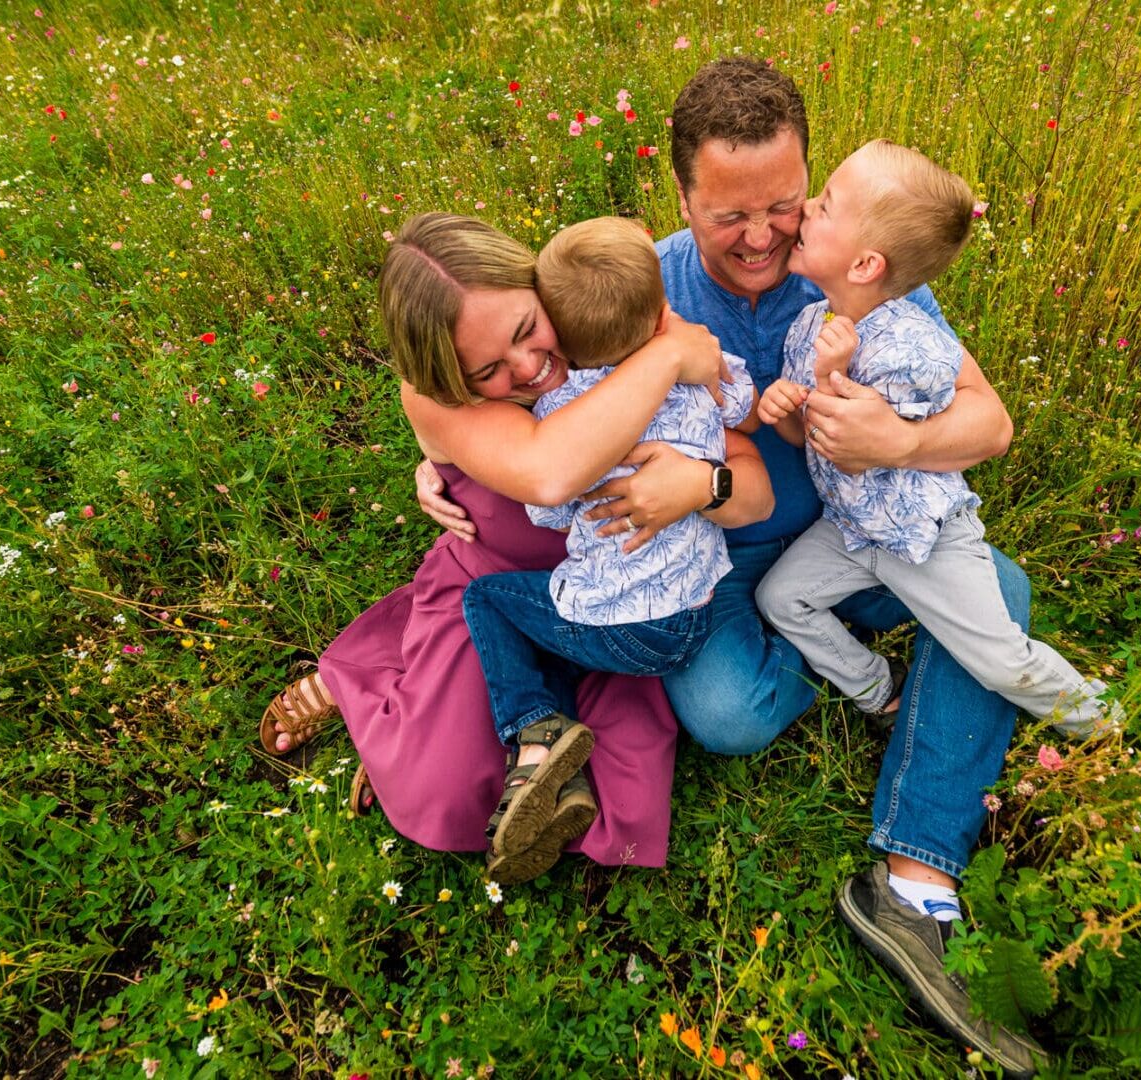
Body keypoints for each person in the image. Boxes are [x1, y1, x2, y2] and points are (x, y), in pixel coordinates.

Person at [416, 59, 1043, 1076]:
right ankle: (868, 667)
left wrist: (895, 441)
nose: (760, 237)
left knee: (999, 591)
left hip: (846, 539)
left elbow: (988, 421)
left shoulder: (853, 270)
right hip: (703, 572)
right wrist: (443, 454)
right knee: (729, 720)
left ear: (811, 190)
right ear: (680, 199)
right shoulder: (634, 282)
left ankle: (914, 880)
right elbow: (510, 369)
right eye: (727, 216)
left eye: (782, 208)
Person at [260, 211, 774, 885]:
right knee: (442, 789)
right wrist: (668, 355)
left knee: (599, 784)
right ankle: (376, 700)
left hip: (609, 597)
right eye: (490, 370)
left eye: (528, 329)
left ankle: (434, 728)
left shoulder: (605, 323)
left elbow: (751, 484)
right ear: (449, 379)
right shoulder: (440, 396)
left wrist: (703, 481)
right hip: (503, 589)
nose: (532, 368)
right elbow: (548, 474)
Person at [755, 139, 1120, 740]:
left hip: (923, 537)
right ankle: (879, 690)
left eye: (825, 205)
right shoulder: (810, 324)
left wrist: (824, 379)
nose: (806, 209)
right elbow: (812, 439)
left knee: (1000, 659)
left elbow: (856, 452)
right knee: (783, 599)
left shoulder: (912, 346)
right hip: (851, 529)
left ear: (866, 265)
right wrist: (782, 408)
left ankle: (1105, 725)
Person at [460, 217, 757, 883]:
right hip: (694, 615)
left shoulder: (568, 408)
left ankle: (532, 731)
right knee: (556, 631)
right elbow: (742, 400)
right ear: (660, 309)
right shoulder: (700, 364)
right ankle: (554, 771)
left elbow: (546, 505)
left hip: (623, 627)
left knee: (491, 601)